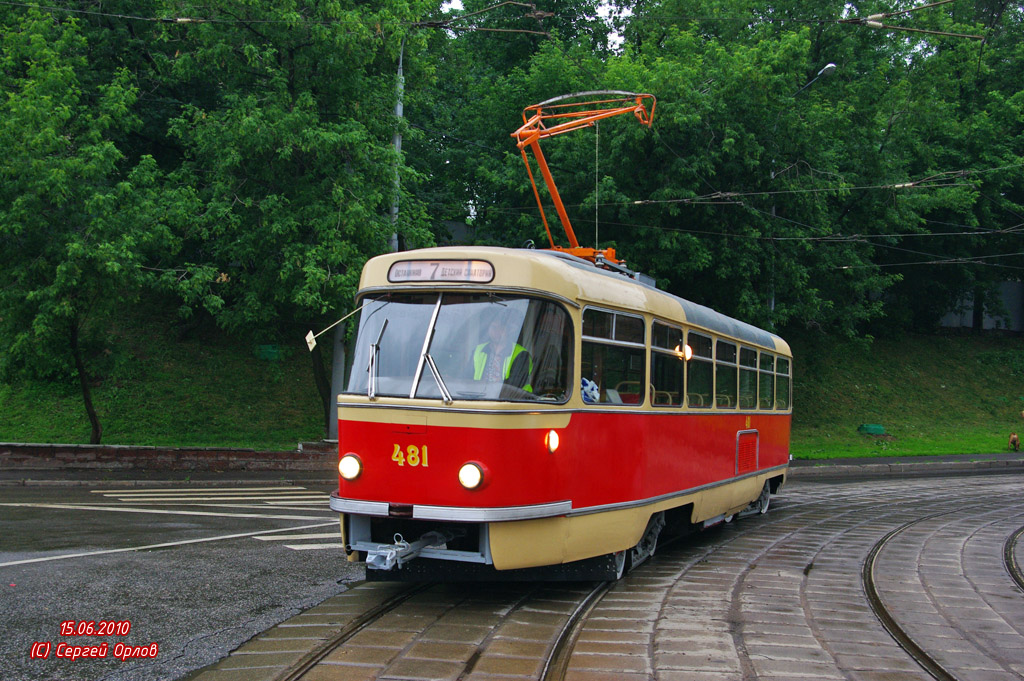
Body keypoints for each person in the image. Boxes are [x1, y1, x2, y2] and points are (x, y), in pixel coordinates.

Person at [473, 318, 532, 392]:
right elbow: (466, 377)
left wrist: (490, 387)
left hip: (513, 400)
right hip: (480, 398)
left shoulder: (521, 354)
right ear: (488, 329)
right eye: (494, 327)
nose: (497, 331)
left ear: (508, 330)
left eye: (501, 327)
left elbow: (517, 382)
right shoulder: (478, 350)